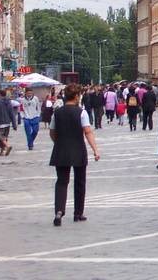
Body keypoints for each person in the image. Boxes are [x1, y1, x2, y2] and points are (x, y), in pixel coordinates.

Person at [50, 84, 101, 226]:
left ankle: (59, 211)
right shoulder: (81, 112)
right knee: (80, 182)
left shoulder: (57, 113)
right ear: (77, 96)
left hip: (61, 150)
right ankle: (78, 213)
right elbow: (87, 131)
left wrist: (58, 142)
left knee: (61, 182)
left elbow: (52, 132)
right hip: (78, 149)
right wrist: (95, 150)